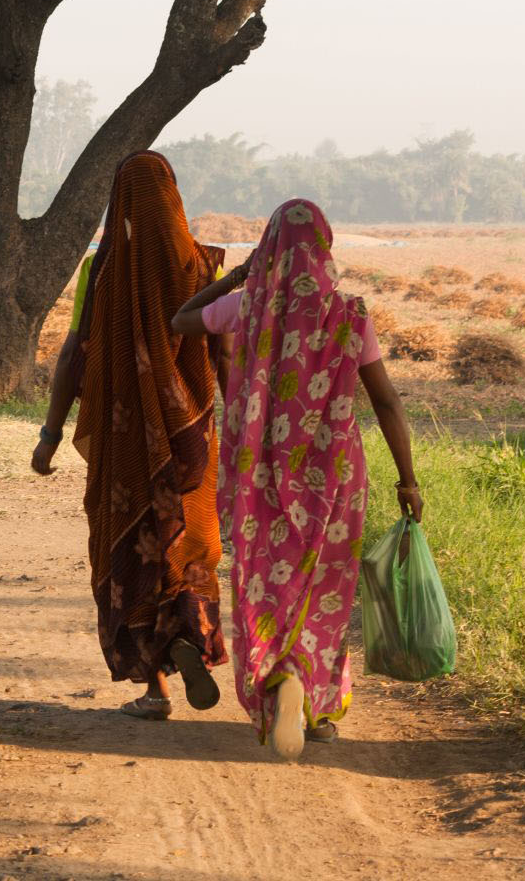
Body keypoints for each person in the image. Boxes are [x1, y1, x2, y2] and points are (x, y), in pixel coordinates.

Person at [170, 198, 424, 761]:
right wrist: (408, 482)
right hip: (334, 477)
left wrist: (236, 277)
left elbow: (180, 320)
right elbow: (386, 402)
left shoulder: (245, 308)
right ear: (325, 248)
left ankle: (279, 678)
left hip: (259, 474)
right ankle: (317, 701)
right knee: (326, 588)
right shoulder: (351, 315)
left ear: (270, 249)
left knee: (267, 581)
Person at [31, 151, 230, 719]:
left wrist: (51, 433)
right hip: (191, 442)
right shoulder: (204, 268)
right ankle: (189, 638)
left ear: (119, 202)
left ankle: (155, 689)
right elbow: (225, 354)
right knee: (189, 547)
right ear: (173, 200)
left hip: (124, 449)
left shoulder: (102, 268)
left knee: (134, 551)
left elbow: (74, 354)